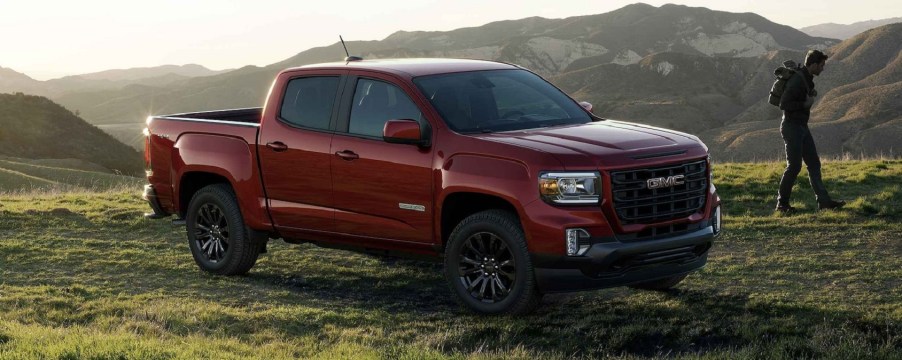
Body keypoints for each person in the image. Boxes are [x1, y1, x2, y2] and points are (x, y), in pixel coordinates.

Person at [775, 49, 845, 213]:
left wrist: (810, 93)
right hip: (792, 127)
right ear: (813, 64)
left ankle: (824, 202)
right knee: (794, 167)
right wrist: (804, 104)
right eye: (821, 65)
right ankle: (781, 205)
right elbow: (784, 104)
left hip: (801, 126)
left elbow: (801, 95)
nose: (822, 68)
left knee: (814, 163)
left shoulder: (806, 78)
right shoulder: (797, 80)